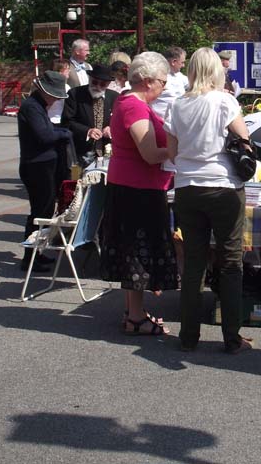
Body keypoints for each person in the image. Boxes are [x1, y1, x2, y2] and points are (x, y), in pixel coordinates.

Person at [165, 47, 253, 354]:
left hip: (187, 187)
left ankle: (188, 336)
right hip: (223, 186)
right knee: (230, 261)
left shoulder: (177, 105)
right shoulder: (224, 101)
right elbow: (245, 141)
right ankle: (232, 336)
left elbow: (173, 153)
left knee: (193, 263)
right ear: (217, 71)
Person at [100, 52, 177, 335]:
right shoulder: (134, 106)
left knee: (135, 252)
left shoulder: (130, 102)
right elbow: (148, 153)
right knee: (137, 254)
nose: (164, 87)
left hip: (135, 186)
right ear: (147, 81)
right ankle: (134, 317)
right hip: (137, 189)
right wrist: (175, 151)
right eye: (162, 81)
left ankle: (135, 312)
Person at [17, 71, 72, 271]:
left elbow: (48, 133)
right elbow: (44, 136)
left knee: (45, 210)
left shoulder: (38, 106)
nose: (56, 99)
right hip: (36, 166)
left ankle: (35, 254)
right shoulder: (31, 107)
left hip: (43, 164)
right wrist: (63, 133)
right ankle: (30, 257)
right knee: (39, 212)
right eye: (55, 95)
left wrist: (59, 133)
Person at [62, 64, 119, 163]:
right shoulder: (75, 94)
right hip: (82, 150)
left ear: (108, 84)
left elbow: (120, 121)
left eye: (102, 84)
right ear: (90, 79)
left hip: (107, 150)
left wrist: (111, 128)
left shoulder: (114, 97)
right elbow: (67, 121)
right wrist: (87, 131)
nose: (97, 86)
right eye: (95, 82)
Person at [152, 46, 189, 121]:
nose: (183, 65)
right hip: (160, 122)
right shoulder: (155, 77)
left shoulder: (180, 76)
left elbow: (195, 85)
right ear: (173, 62)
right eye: (182, 62)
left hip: (176, 122)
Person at [47, 59, 71, 124]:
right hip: (50, 121)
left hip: (62, 120)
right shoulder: (47, 87)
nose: (69, 71)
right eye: (67, 69)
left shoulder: (67, 87)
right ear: (60, 72)